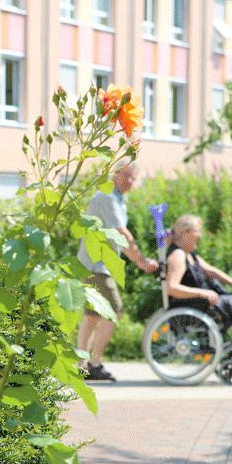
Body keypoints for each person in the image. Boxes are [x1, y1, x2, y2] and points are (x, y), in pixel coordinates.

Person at [76, 163, 159, 381]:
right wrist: (141, 261)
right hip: (97, 265)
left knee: (93, 315)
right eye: (126, 176)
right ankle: (93, 364)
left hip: (95, 263)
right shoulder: (108, 197)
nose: (129, 181)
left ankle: (82, 365)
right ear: (115, 174)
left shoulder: (117, 198)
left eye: (133, 178)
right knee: (114, 311)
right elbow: (122, 234)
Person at [166, 214, 232, 364]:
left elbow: (211, 271)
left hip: (207, 302)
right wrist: (202, 292)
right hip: (200, 305)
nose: (201, 235)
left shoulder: (189, 254)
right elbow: (172, 288)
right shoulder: (178, 255)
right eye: (198, 231)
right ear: (185, 233)